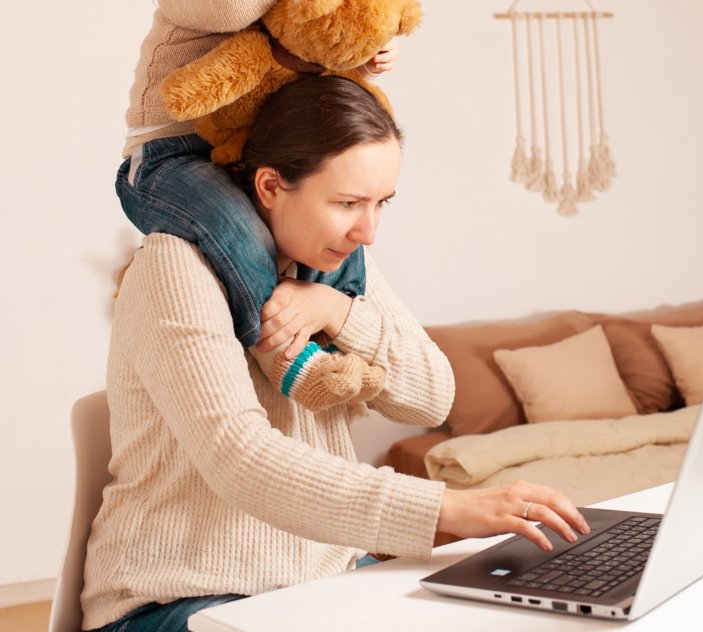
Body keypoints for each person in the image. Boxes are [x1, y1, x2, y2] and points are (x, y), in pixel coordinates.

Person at [82, 75, 590, 632]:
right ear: (271, 186)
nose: (367, 231)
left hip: (322, 582)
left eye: (381, 203)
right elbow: (242, 460)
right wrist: (447, 509)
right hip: (184, 599)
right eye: (348, 203)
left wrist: (338, 311)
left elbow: (433, 396)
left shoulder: (334, 267)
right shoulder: (173, 267)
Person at [117, 0, 401, 412]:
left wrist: (366, 51)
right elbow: (229, 13)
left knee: (343, 249)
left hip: (243, 143)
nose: (368, 228)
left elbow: (315, 35)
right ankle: (284, 358)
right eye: (350, 203)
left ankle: (332, 344)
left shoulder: (321, 232)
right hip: (170, 153)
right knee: (234, 224)